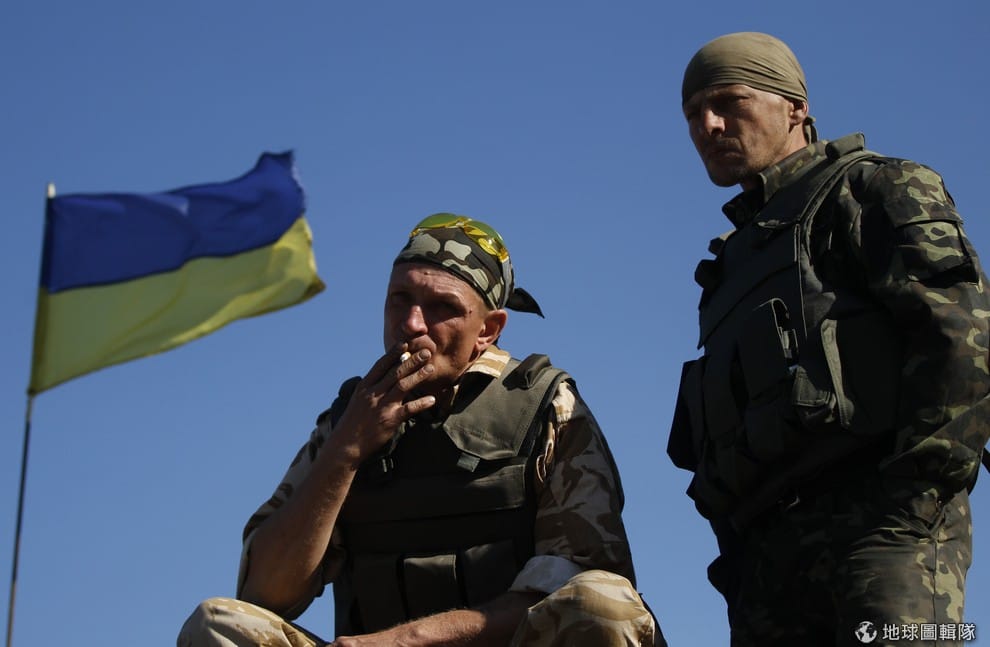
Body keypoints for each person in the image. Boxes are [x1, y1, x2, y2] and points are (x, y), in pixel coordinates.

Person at [180, 213, 665, 647]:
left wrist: (407, 639)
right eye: (401, 299)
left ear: (488, 329)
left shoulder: (545, 407)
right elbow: (266, 594)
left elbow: (586, 589)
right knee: (220, 625)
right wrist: (346, 451)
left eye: (441, 307)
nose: (412, 324)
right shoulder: (349, 419)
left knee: (603, 604)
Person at [668, 32, 990, 646]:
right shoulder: (729, 267)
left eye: (729, 102)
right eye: (693, 114)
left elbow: (963, 336)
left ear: (795, 107)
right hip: (766, 568)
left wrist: (917, 495)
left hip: (883, 533)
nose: (708, 125)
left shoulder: (871, 189)